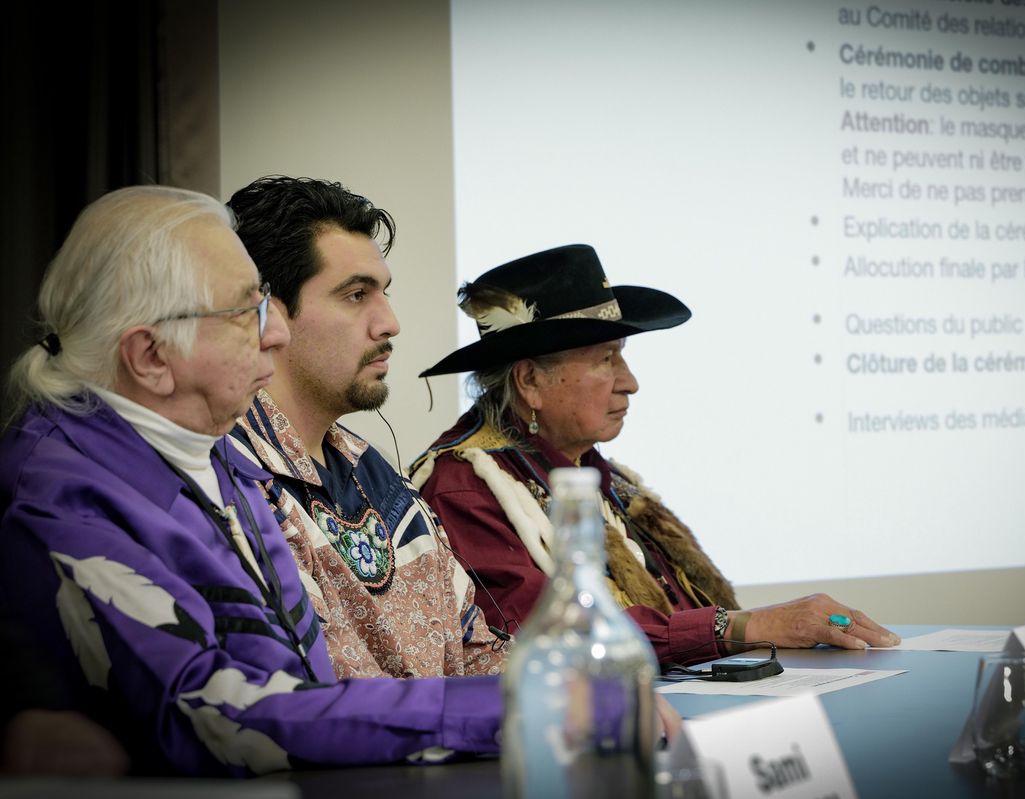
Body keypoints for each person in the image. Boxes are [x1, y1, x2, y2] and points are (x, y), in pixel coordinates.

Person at [0, 185, 503, 776]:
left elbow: (299, 683)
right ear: (151, 357)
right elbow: (216, 717)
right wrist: (517, 710)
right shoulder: (61, 496)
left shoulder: (216, 460)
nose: (275, 334)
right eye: (244, 311)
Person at [412, 244, 901, 667]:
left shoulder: (606, 481)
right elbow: (554, 641)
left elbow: (675, 617)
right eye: (607, 359)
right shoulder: (468, 487)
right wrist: (749, 626)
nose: (630, 382)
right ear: (531, 381)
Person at [224, 175, 503, 680]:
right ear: (269, 312)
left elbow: (477, 654)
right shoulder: (232, 476)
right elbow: (310, 699)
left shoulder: (377, 477)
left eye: (384, 294)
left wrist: (571, 694)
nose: (389, 322)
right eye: (356, 295)